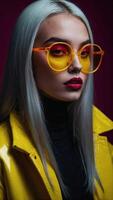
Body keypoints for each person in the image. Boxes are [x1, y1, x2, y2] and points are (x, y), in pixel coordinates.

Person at [0, 0, 113, 199]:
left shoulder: (104, 147)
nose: (77, 65)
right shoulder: (3, 153)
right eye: (59, 51)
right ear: (26, 58)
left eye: (85, 52)